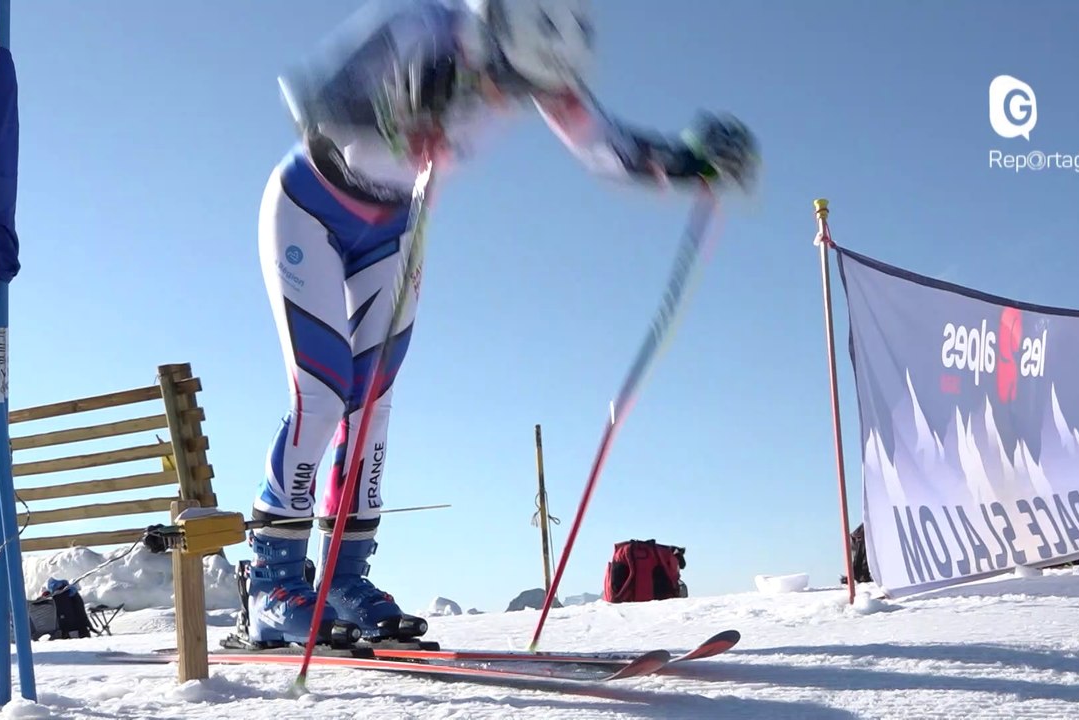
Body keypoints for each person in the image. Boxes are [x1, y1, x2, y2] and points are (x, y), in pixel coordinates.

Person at [247, 0, 759, 646]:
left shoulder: (539, 64)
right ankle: (271, 587)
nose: (505, 96)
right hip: (310, 206)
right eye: (503, 78)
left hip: (395, 230)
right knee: (322, 395)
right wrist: (395, 106)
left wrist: (691, 163)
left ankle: (344, 579)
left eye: (525, 89)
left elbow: (608, 149)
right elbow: (310, 98)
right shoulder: (419, 28)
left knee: (372, 403)